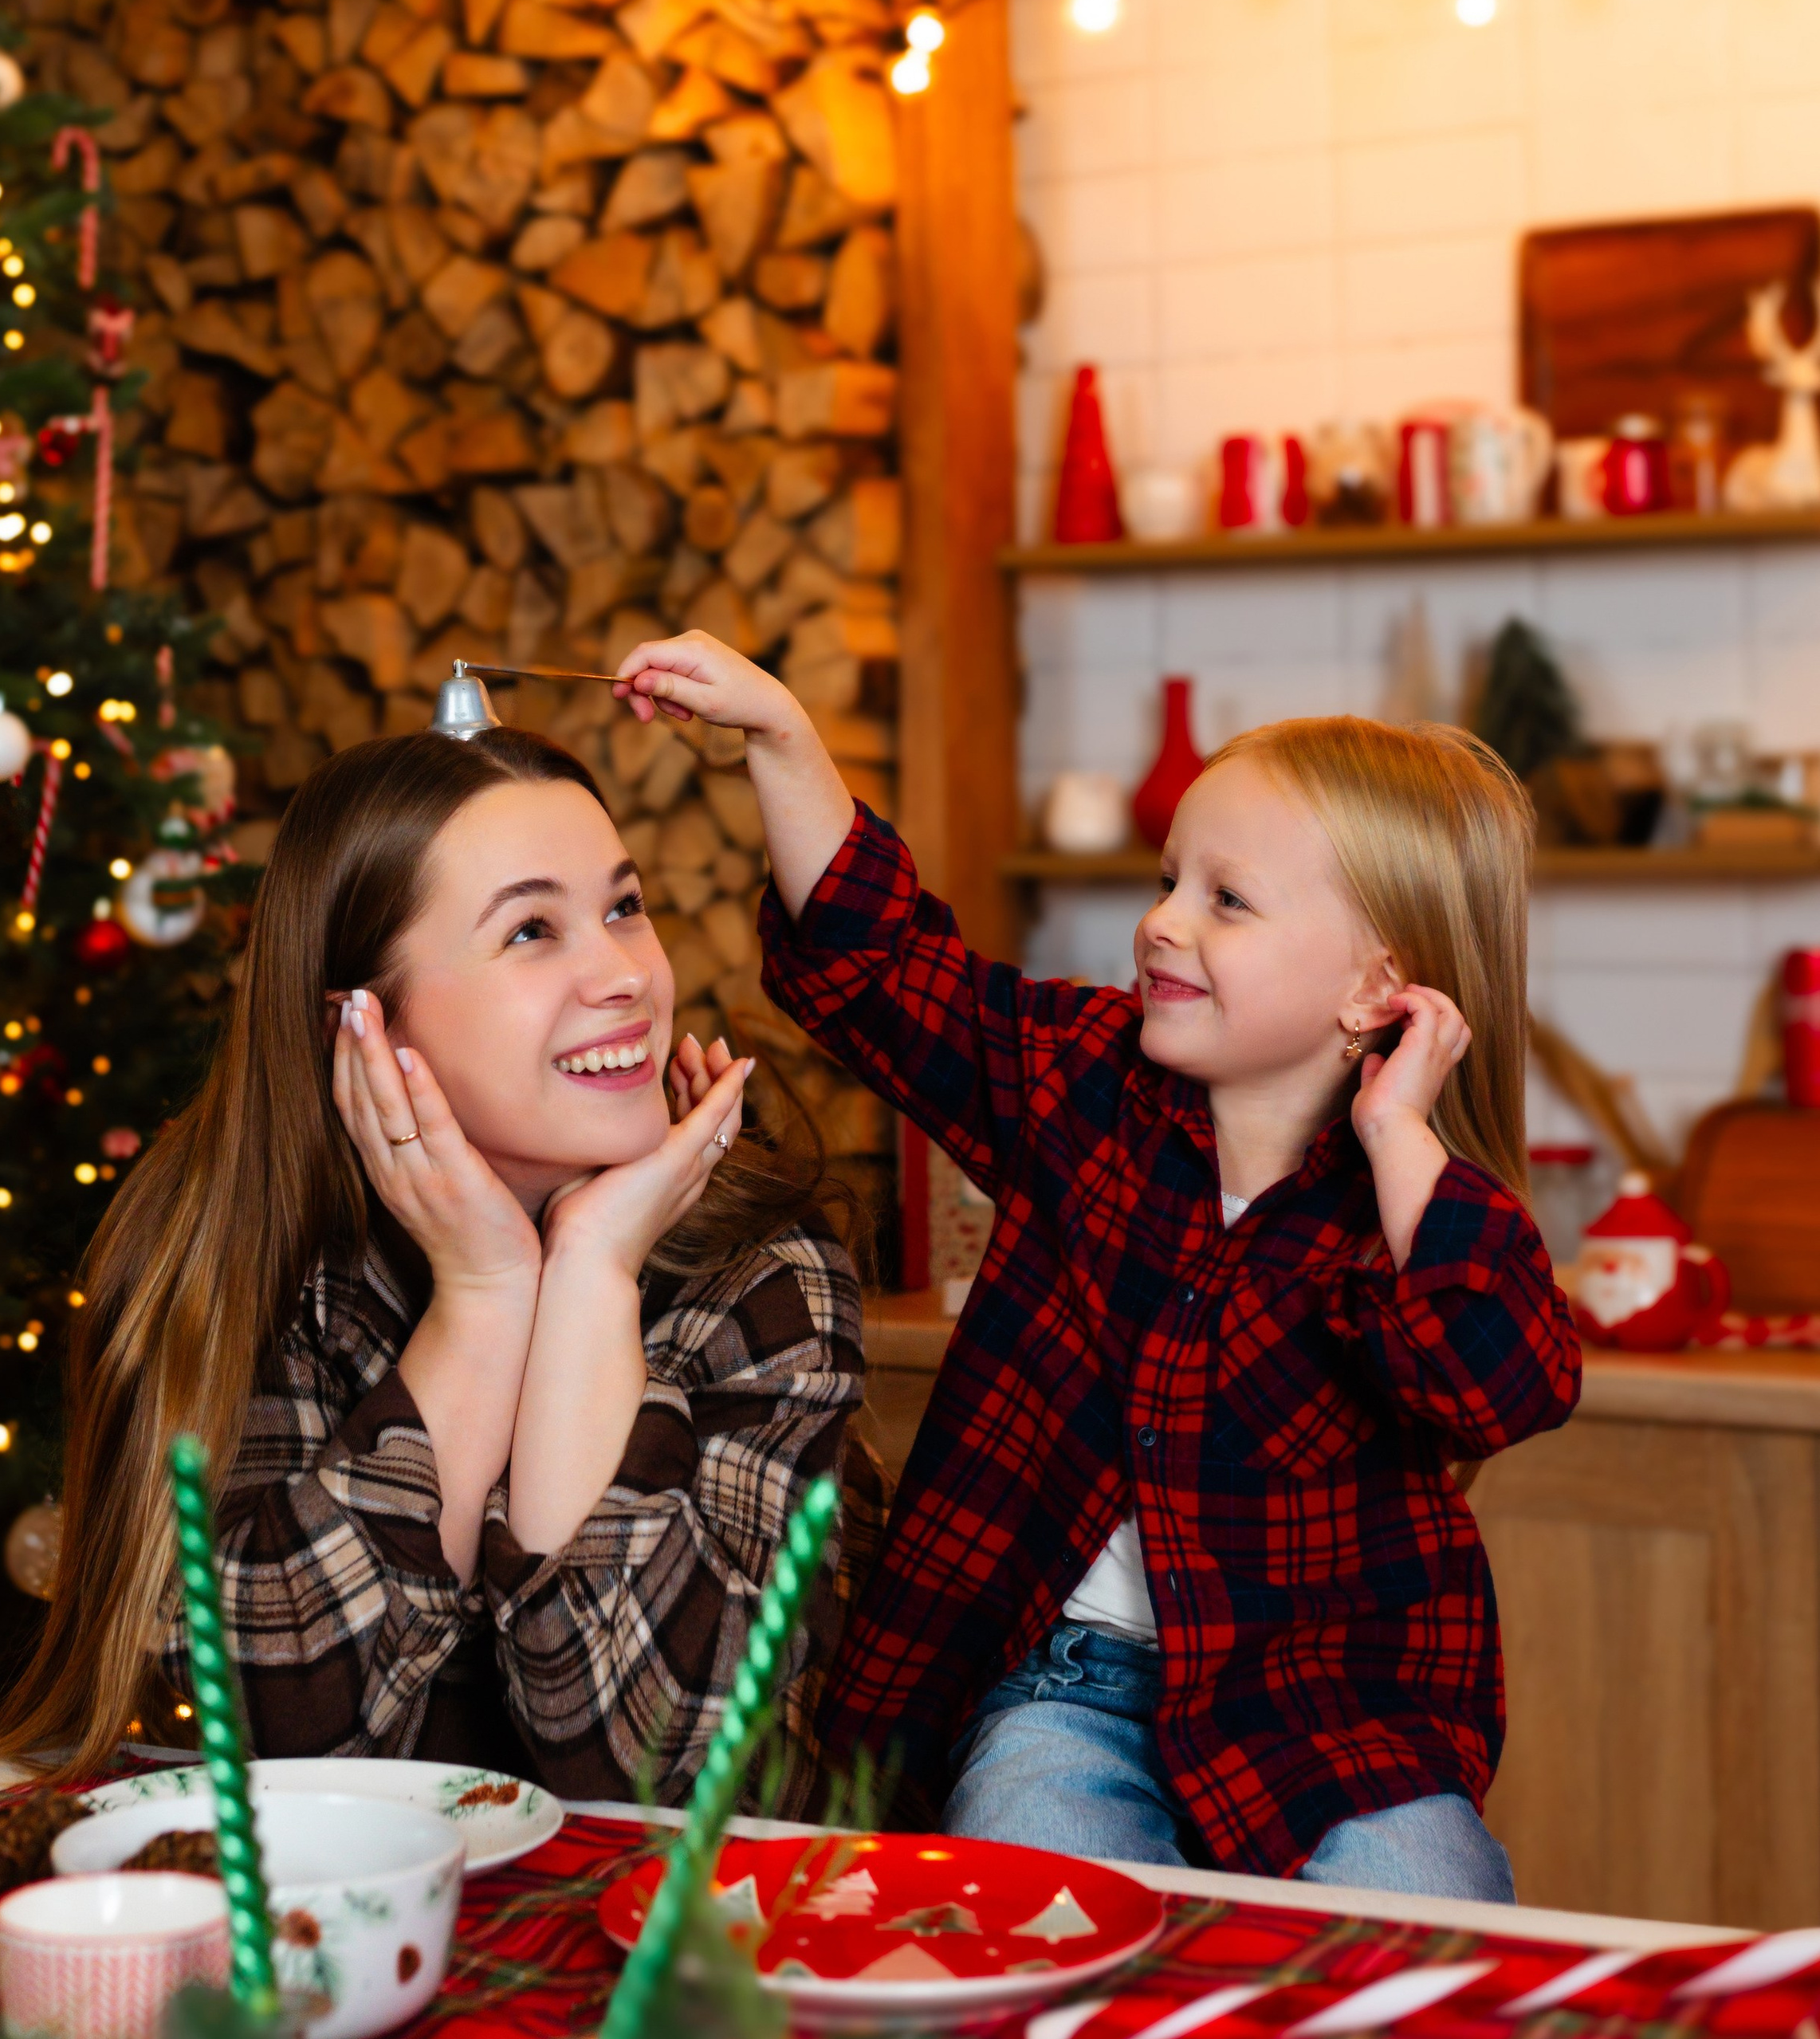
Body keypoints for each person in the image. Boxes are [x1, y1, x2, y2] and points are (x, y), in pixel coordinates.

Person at [607, 635, 1580, 1899]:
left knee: (1430, 1907)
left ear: (1372, 989)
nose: (1161, 924)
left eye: (1226, 900)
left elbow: (1500, 1385)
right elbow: (882, 969)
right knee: (1027, 1889)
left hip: (1336, 1723)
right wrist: (787, 738)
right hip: (1054, 1684)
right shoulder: (1081, 1081)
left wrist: (1399, 1137)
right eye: (1170, 880)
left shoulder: (1423, 1212)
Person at [0, 725, 871, 1805]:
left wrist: (589, 1275)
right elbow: (268, 1742)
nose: (625, 976)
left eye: (624, 908)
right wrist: (486, 1298)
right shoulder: (241, 1256)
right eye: (533, 930)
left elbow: (685, 1781)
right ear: (362, 1022)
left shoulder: (762, 1270)